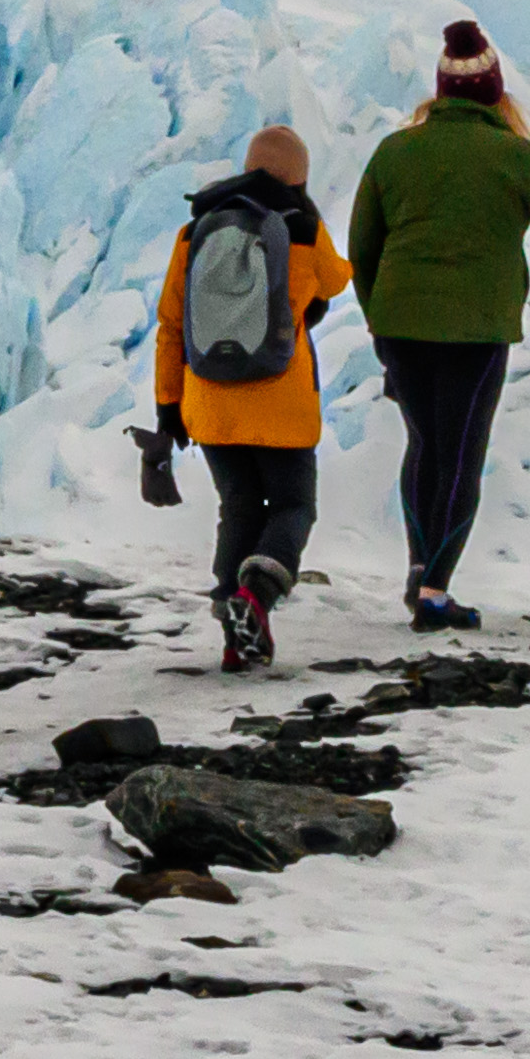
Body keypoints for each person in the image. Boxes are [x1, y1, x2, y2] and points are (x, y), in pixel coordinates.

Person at [347, 17, 530, 630]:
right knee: (461, 455)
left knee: (424, 444)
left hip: (400, 325)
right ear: (493, 91)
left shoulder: (394, 150)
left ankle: (417, 567)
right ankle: (434, 589)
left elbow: (362, 247)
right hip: (477, 330)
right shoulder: (511, 154)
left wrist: (383, 318)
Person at [150, 126, 351, 671]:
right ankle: (255, 596)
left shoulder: (196, 230)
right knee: (292, 506)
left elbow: (171, 323)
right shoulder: (302, 226)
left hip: (211, 402)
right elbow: (335, 280)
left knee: (238, 505)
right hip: (279, 403)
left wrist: (170, 407)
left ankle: (233, 634)